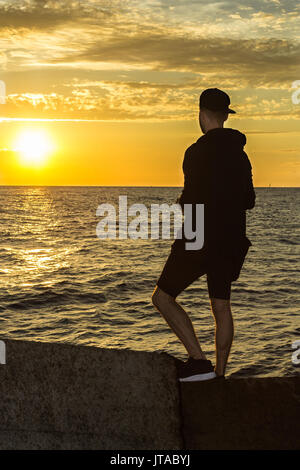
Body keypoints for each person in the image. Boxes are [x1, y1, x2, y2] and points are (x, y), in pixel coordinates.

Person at [151, 88, 256, 382]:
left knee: (162, 297)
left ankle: (198, 362)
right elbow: (249, 200)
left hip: (199, 231)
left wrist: (184, 204)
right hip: (232, 237)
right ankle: (219, 374)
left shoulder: (195, 152)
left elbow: (193, 198)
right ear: (225, 116)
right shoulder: (241, 154)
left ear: (201, 114)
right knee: (221, 306)